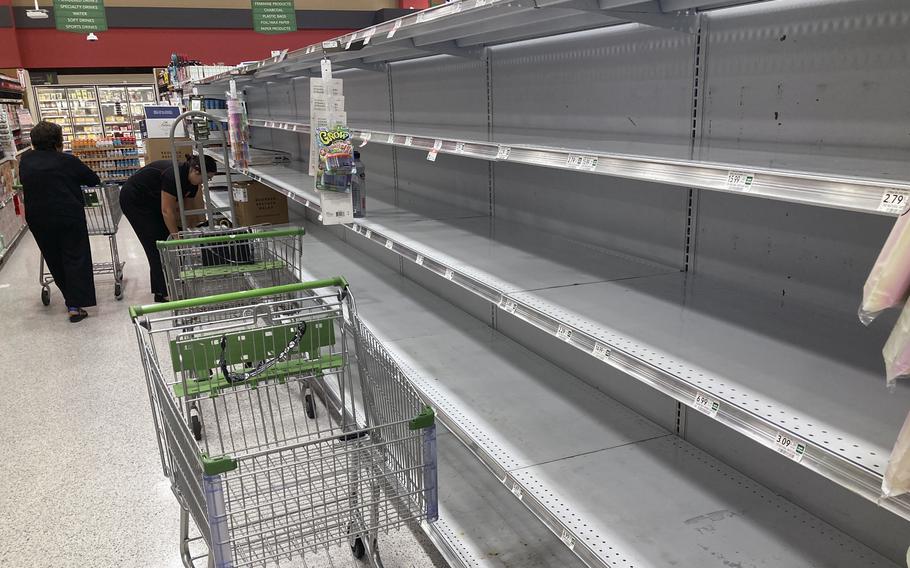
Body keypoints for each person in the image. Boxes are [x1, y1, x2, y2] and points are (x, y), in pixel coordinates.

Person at [19, 121, 100, 323]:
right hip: (67, 215)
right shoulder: (66, 161)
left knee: (54, 258)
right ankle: (75, 304)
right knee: (75, 257)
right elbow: (93, 179)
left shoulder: (26, 161)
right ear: (58, 141)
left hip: (38, 218)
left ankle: (69, 300)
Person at [119, 155, 216, 302]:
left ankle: (166, 286)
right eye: (207, 178)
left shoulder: (193, 182)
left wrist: (187, 231)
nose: (206, 182)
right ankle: (164, 293)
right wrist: (177, 238)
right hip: (135, 200)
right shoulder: (173, 175)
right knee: (158, 245)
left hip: (153, 200)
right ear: (196, 171)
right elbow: (167, 211)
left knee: (167, 240)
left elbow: (187, 207)